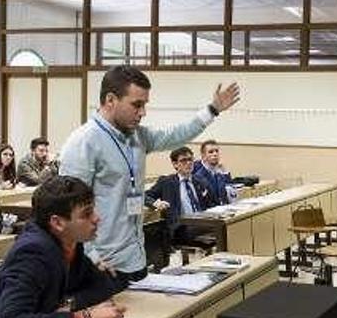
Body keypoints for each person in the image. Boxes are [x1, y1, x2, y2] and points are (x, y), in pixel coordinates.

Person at [59, 65, 240, 281]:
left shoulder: (137, 136)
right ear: (110, 100)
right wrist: (90, 256)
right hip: (102, 265)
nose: (142, 113)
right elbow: (68, 210)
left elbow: (176, 134)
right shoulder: (84, 142)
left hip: (135, 258)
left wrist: (212, 110)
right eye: (136, 105)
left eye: (144, 105)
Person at [0, 176, 126, 318]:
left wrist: (66, 305)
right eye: (86, 214)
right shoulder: (33, 252)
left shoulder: (70, 242)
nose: (96, 219)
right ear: (57, 223)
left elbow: (103, 285)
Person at [145, 146, 219, 260]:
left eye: (191, 160)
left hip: (203, 224)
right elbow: (144, 196)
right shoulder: (166, 182)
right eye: (184, 160)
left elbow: (213, 204)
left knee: (225, 229)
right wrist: (155, 203)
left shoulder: (200, 181)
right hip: (180, 229)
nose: (188, 163)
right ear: (175, 164)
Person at [193, 139, 236, 204]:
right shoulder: (198, 177)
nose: (215, 154)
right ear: (203, 156)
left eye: (216, 151)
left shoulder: (220, 173)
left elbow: (230, 190)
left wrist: (224, 171)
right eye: (211, 152)